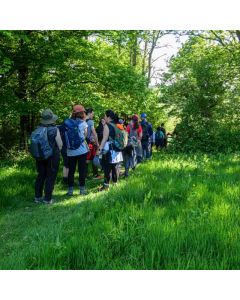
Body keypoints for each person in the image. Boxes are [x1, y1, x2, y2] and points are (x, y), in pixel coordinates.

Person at [34, 109, 63, 204]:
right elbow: (60, 144)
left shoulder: (38, 128)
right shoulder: (55, 129)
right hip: (52, 156)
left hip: (40, 156)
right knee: (50, 176)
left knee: (41, 175)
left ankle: (37, 197)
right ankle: (47, 199)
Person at [66, 105, 89, 196]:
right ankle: (82, 190)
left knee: (71, 170)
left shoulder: (67, 123)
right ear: (82, 113)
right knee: (81, 170)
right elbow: (85, 136)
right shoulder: (83, 124)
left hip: (70, 151)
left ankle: (70, 190)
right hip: (81, 150)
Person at [97, 110, 123, 190]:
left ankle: (106, 186)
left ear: (108, 117)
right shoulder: (117, 125)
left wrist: (99, 149)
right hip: (117, 150)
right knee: (114, 168)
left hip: (108, 150)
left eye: (105, 115)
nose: (104, 117)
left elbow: (104, 139)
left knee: (107, 169)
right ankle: (115, 185)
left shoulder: (107, 126)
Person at [85, 108, 100, 179]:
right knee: (94, 157)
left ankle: (85, 175)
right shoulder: (90, 121)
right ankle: (96, 174)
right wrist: (97, 143)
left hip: (84, 142)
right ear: (89, 113)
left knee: (86, 159)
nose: (93, 115)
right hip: (90, 143)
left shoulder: (82, 120)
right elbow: (94, 133)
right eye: (92, 114)